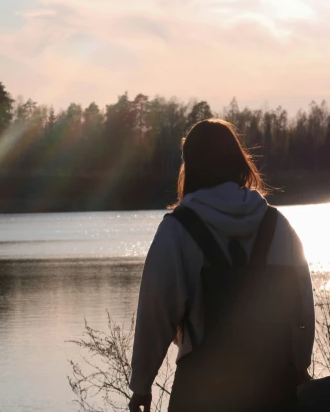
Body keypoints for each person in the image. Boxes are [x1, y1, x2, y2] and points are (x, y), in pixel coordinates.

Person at [128, 119, 315, 412]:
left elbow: (155, 313)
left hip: (203, 392)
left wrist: (141, 386)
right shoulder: (278, 225)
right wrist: (299, 366)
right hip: (274, 388)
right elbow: (303, 305)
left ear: (190, 166)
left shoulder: (177, 231)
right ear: (237, 160)